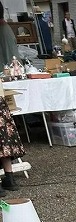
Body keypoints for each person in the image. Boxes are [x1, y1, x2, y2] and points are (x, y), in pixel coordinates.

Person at [0, 3, 24, 195]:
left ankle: (7, 180)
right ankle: (9, 178)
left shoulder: (3, 30)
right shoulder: (5, 30)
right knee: (3, 136)